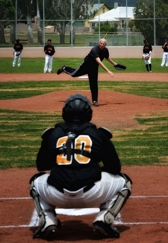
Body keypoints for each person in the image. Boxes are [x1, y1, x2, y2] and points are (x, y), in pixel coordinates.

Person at [29, 93, 132, 239]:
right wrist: (96, 166)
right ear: (89, 113)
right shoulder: (98, 134)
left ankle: (47, 220)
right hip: (92, 193)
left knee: (35, 181)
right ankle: (104, 219)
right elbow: (115, 167)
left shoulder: (52, 134)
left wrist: (61, 161)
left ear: (64, 113)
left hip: (56, 194)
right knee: (125, 182)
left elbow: (41, 166)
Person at [57, 38, 117, 107]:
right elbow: (99, 61)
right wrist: (108, 71)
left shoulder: (105, 50)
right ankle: (64, 68)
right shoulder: (95, 49)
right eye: (101, 43)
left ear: (105, 45)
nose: (102, 45)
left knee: (94, 83)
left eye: (103, 44)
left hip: (94, 68)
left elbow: (107, 58)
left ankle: (95, 101)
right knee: (74, 74)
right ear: (98, 43)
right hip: (86, 65)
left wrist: (114, 64)